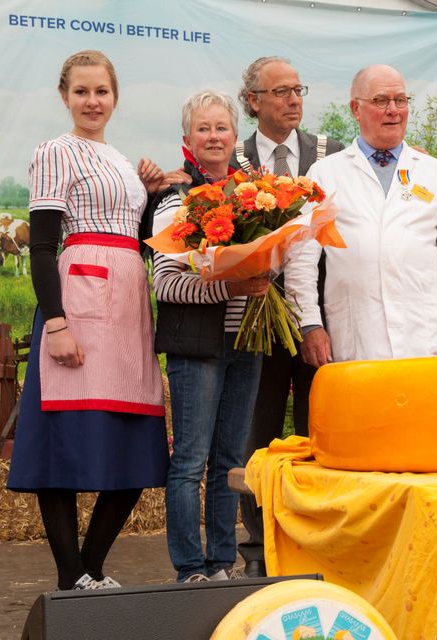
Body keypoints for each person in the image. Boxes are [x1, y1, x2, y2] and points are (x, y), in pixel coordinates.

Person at [7, 50, 169, 591]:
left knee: (133, 438)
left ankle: (93, 567)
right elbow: (42, 243)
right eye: (81, 92)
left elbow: (140, 234)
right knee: (64, 440)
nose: (92, 101)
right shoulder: (56, 150)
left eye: (101, 91)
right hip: (79, 298)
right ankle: (70, 573)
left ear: (115, 97)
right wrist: (55, 323)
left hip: (127, 306)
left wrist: (153, 191)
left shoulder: (121, 161)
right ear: (64, 96)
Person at [151, 90, 270, 583]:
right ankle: (189, 568)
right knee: (191, 460)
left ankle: (222, 562)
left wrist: (268, 267)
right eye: (203, 129)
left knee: (229, 459)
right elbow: (166, 283)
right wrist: (230, 286)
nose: (214, 137)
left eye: (221, 128)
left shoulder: (254, 197)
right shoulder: (174, 202)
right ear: (187, 141)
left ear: (234, 137)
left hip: (245, 344)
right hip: (196, 350)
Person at [234, 56, 345, 579]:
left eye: (298, 90)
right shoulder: (231, 161)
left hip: (318, 316)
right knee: (255, 428)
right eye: (280, 92)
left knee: (315, 428)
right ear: (252, 100)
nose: (293, 100)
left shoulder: (331, 155)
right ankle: (258, 539)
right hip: (254, 313)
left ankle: (314, 535)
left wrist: (313, 317)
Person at [285, 64, 437, 366]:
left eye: (400, 100)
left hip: (427, 340)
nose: (393, 110)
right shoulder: (325, 173)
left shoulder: (433, 172)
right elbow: (301, 259)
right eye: (380, 101)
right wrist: (309, 324)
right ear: (355, 108)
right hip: (358, 340)